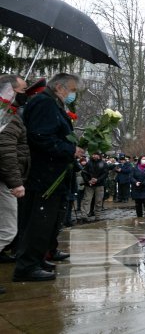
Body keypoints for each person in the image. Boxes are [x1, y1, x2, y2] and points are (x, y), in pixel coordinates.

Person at [15, 73, 83, 282]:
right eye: (72, 90)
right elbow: (41, 137)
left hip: (51, 174)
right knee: (38, 220)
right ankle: (26, 266)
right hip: (44, 175)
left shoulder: (52, 103)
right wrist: (69, 150)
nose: (73, 95)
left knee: (46, 222)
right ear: (60, 87)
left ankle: (36, 259)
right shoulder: (44, 103)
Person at [0, 75, 29, 290]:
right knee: (7, 230)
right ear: (10, 91)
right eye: (22, 89)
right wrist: (15, 183)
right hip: (4, 181)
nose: (24, 94)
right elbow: (7, 151)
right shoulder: (6, 115)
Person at [81, 151, 108, 222]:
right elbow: (84, 173)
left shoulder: (103, 163)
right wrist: (88, 180)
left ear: (99, 155)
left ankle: (97, 216)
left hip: (99, 185)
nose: (94, 156)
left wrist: (97, 180)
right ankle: (84, 215)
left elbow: (105, 174)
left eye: (95, 154)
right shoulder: (89, 163)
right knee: (86, 200)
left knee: (98, 201)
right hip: (89, 185)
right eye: (93, 154)